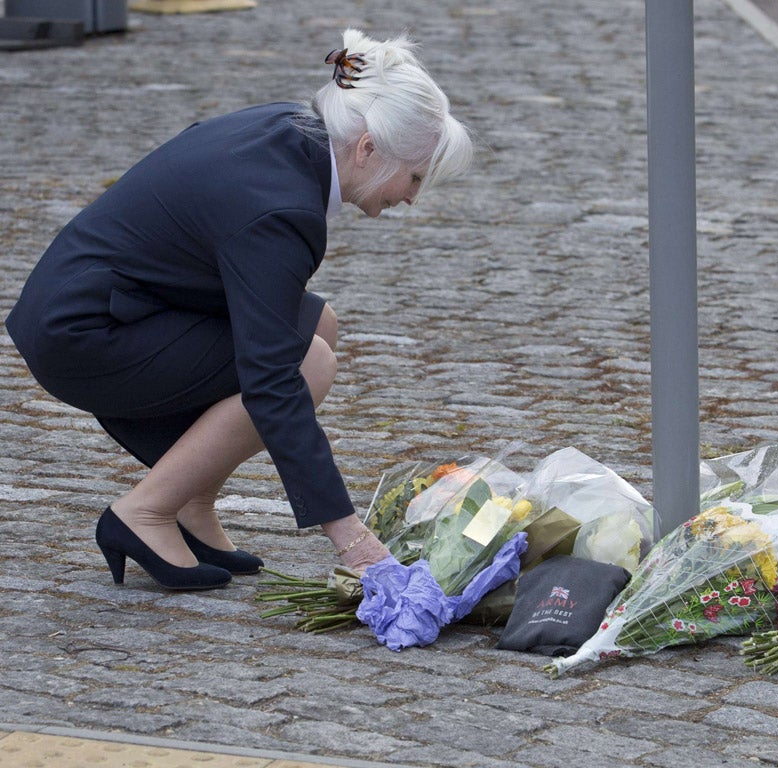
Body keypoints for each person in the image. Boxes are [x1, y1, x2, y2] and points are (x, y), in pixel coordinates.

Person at [4, 29, 473, 591]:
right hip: (85, 333)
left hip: (104, 304)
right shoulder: (281, 210)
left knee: (318, 324)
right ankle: (145, 511)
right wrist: (351, 538)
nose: (412, 198)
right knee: (308, 364)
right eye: (415, 176)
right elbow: (272, 378)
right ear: (367, 148)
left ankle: (191, 500)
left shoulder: (289, 130)